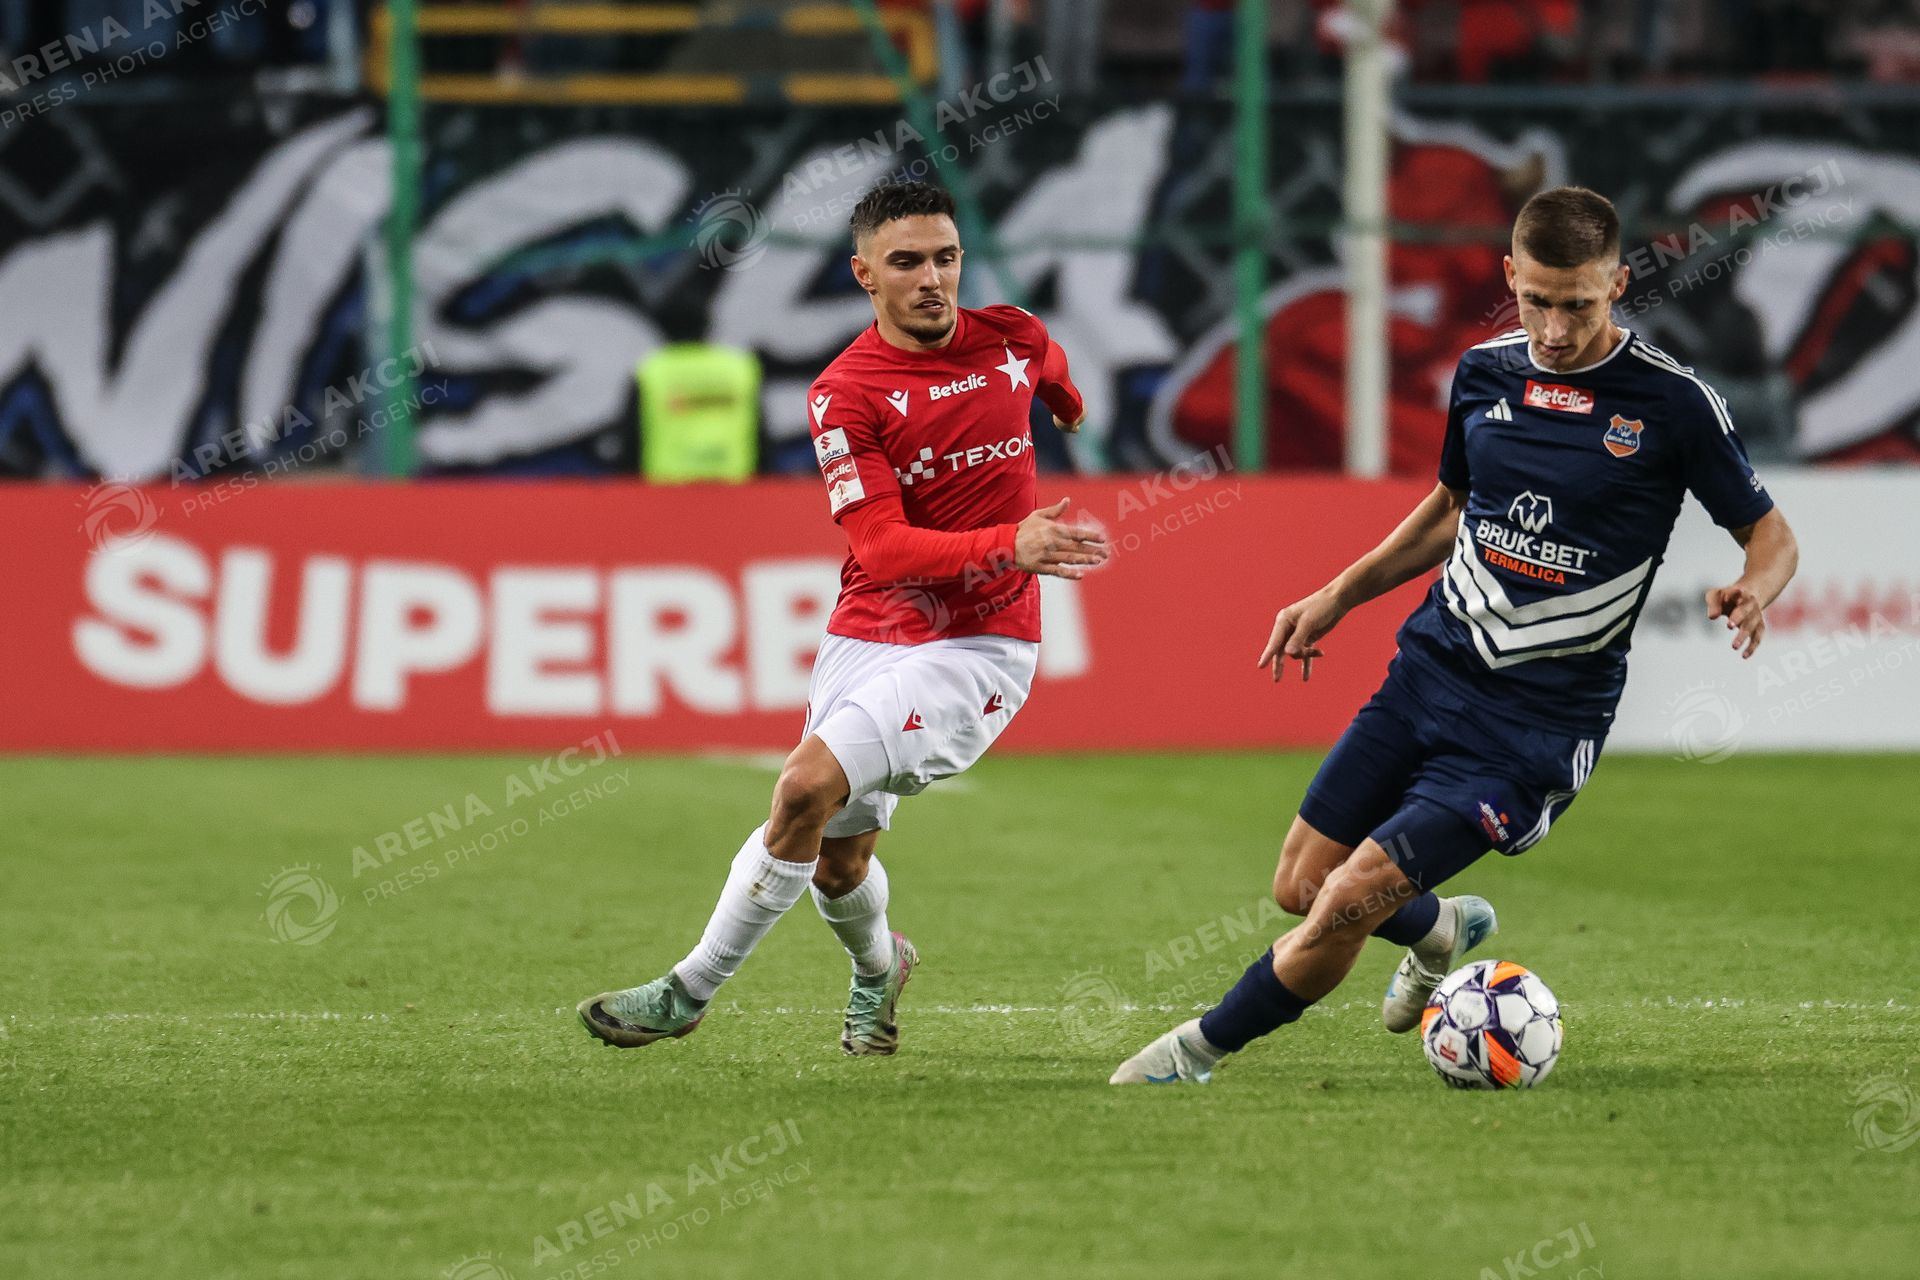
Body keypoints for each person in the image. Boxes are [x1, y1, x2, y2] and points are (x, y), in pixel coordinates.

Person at [1112, 186, 1799, 1085]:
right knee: (1300, 886)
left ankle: (1194, 1054)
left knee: (1349, 897)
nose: (1554, 329)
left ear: (1618, 284)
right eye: (1537, 301)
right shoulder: (1484, 374)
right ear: (1510, 276)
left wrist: (1755, 586)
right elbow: (1448, 511)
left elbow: (1770, 532)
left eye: (1578, 305)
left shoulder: (1673, 404)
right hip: (1430, 672)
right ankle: (1439, 927)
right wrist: (1336, 596)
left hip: (1533, 729)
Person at [580, 180, 1106, 1056]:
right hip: (869, 630)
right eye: (907, 262)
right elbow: (886, 548)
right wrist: (1011, 539)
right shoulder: (845, 393)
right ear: (865, 275)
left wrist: (1067, 407)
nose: (932, 279)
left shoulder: (1013, 336)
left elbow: (1053, 376)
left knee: (801, 789)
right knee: (836, 859)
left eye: (946, 258)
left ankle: (688, 990)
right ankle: (879, 970)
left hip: (978, 643)